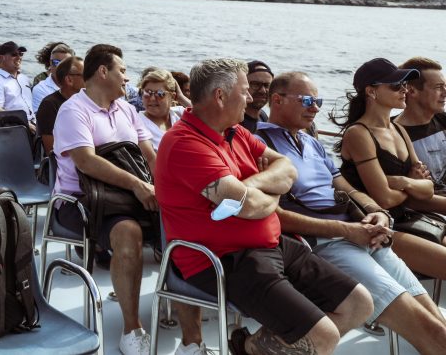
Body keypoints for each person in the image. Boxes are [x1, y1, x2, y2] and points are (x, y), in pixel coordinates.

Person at [155, 58, 371, 355]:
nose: (250, 98)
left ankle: (250, 347)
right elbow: (245, 206)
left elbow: (287, 168)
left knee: (359, 304)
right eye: (245, 90)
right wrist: (264, 193)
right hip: (223, 260)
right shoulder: (184, 144)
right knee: (323, 338)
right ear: (220, 96)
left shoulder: (236, 132)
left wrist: (252, 186)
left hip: (271, 244)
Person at [260, 71, 446, 354]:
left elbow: (346, 188)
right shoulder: (259, 145)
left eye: (319, 100)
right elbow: (273, 215)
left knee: (436, 319)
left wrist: (377, 212)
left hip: (362, 233)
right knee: (429, 331)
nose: (316, 108)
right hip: (324, 243)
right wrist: (348, 231)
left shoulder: (311, 142)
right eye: (308, 100)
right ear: (277, 100)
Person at [51, 44, 161, 355]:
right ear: (103, 72)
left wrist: (165, 188)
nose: (127, 78)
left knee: (183, 217)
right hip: (81, 201)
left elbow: (149, 158)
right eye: (122, 71)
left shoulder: (127, 110)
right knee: (129, 232)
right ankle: (131, 328)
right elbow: (86, 161)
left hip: (127, 195)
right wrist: (138, 185)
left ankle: (187, 316)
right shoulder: (73, 110)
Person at [335, 57, 446, 277]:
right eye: (396, 85)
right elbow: (383, 199)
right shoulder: (359, 133)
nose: (404, 89)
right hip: (379, 225)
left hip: (407, 216)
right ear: (371, 91)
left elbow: (428, 189)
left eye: (405, 84)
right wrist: (413, 185)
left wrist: (403, 182)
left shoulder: (398, 130)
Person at [395, 57, 446, 189]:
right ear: (411, 91)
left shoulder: (442, 119)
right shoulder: (392, 133)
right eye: (439, 87)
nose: (445, 93)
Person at [34, 55, 83, 155]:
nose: (90, 78)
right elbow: (52, 149)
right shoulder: (49, 105)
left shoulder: (85, 101)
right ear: (69, 80)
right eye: (85, 75)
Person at [136, 68, 189, 149]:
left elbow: (209, 120)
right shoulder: (137, 124)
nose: (152, 98)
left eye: (160, 93)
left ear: (173, 96)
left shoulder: (180, 113)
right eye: (147, 92)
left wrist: (181, 97)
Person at [0, 40, 35, 124]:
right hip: (13, 127)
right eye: (14, 55)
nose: (19, 57)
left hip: (33, 123)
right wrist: (25, 123)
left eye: (21, 54)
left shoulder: (24, 79)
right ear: (1, 58)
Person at [31, 43, 74, 112]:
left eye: (66, 63)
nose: (60, 66)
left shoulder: (79, 85)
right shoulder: (40, 89)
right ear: (50, 63)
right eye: (56, 62)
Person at [241, 59, 273, 133]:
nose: (263, 90)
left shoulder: (262, 116)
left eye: (267, 85)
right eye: (255, 84)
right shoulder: (233, 121)